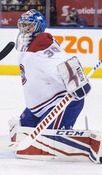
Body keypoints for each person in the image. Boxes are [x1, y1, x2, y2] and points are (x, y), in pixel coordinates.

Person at [9, 9, 94, 160]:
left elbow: (60, 59)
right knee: (23, 128)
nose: (24, 30)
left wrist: (77, 80)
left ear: (38, 27)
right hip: (40, 104)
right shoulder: (28, 45)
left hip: (63, 101)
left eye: (29, 26)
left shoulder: (41, 46)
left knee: (46, 140)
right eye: (23, 25)